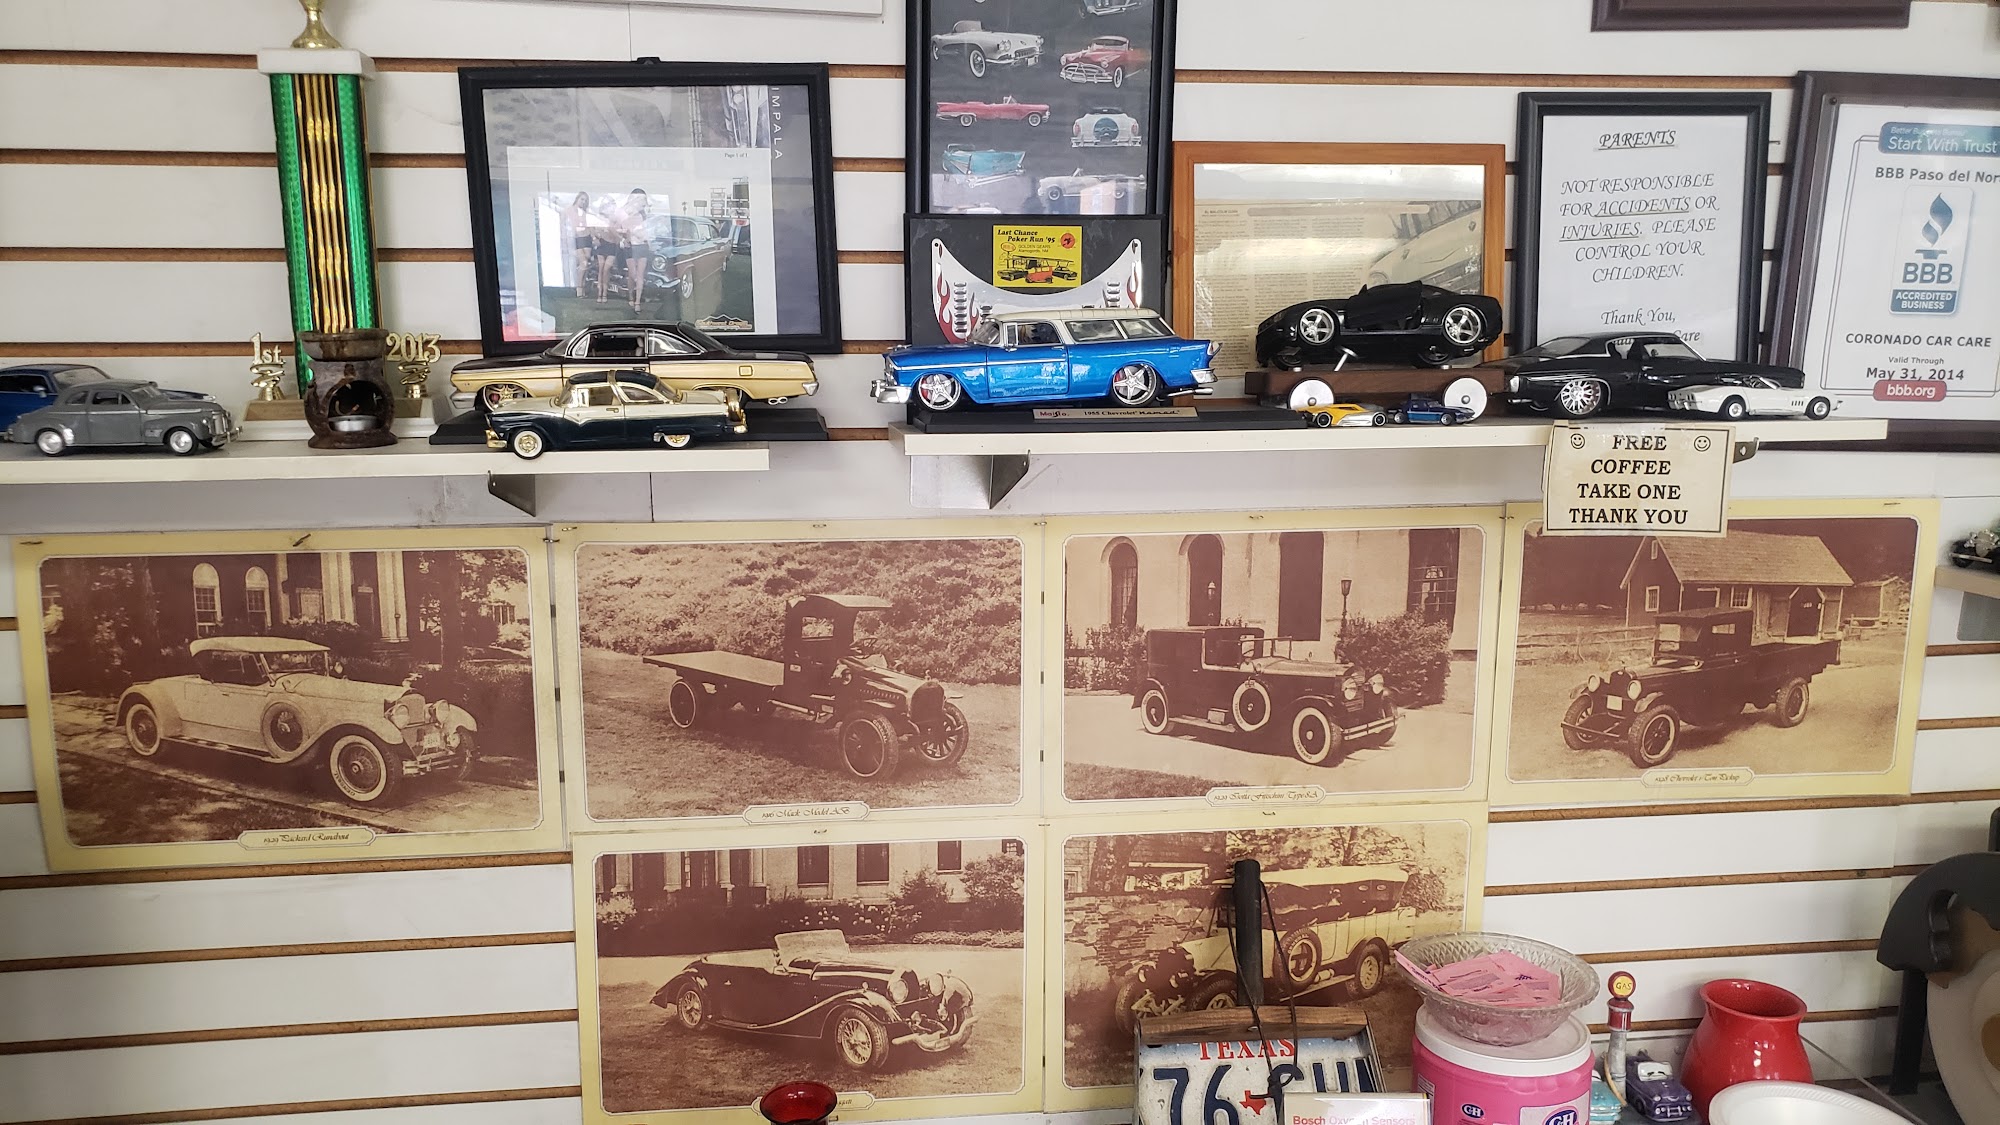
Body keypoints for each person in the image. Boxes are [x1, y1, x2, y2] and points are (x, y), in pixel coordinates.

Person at [617, 188, 652, 312]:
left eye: (644, 199)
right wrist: (624, 238)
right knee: (632, 274)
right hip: (630, 246)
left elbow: (647, 231)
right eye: (641, 198)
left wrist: (648, 241)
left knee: (640, 274)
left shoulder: (644, 215)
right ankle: (631, 295)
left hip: (642, 245)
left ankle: (637, 302)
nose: (643, 201)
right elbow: (620, 228)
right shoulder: (625, 213)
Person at [561, 192, 593, 297]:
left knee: (585, 263)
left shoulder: (584, 213)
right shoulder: (568, 211)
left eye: (585, 200)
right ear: (577, 198)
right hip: (574, 239)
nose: (583, 202)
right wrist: (564, 239)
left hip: (585, 238)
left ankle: (582, 286)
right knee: (582, 263)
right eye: (582, 199)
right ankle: (577, 287)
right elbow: (563, 226)